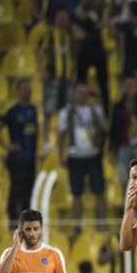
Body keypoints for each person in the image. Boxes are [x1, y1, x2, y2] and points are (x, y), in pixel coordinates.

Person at [57, 83, 108, 234]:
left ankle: (103, 222)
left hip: (94, 155)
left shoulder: (97, 110)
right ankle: (77, 225)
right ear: (74, 94)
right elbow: (61, 136)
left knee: (99, 191)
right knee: (76, 193)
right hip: (75, 156)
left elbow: (103, 131)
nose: (83, 96)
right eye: (80, 92)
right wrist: (61, 156)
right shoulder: (66, 112)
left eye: (85, 93)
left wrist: (102, 149)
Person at [0, 78, 40, 223]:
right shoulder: (12, 110)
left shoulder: (33, 110)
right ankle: (13, 220)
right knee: (16, 189)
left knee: (28, 191)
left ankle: (26, 221)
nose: (28, 90)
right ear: (18, 90)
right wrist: (7, 146)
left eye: (29, 87)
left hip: (31, 159)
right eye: (24, 87)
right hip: (17, 158)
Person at [37, 6, 77, 151]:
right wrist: (41, 71)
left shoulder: (68, 34)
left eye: (66, 16)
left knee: (67, 112)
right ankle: (46, 140)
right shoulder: (48, 33)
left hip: (67, 78)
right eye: (62, 15)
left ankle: (66, 141)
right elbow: (40, 51)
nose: (64, 18)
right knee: (48, 110)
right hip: (52, 77)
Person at [73, 0, 110, 114]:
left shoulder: (101, 7)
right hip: (83, 51)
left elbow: (105, 22)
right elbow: (76, 24)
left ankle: (106, 114)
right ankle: (78, 112)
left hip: (98, 50)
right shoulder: (79, 9)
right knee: (80, 83)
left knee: (104, 85)